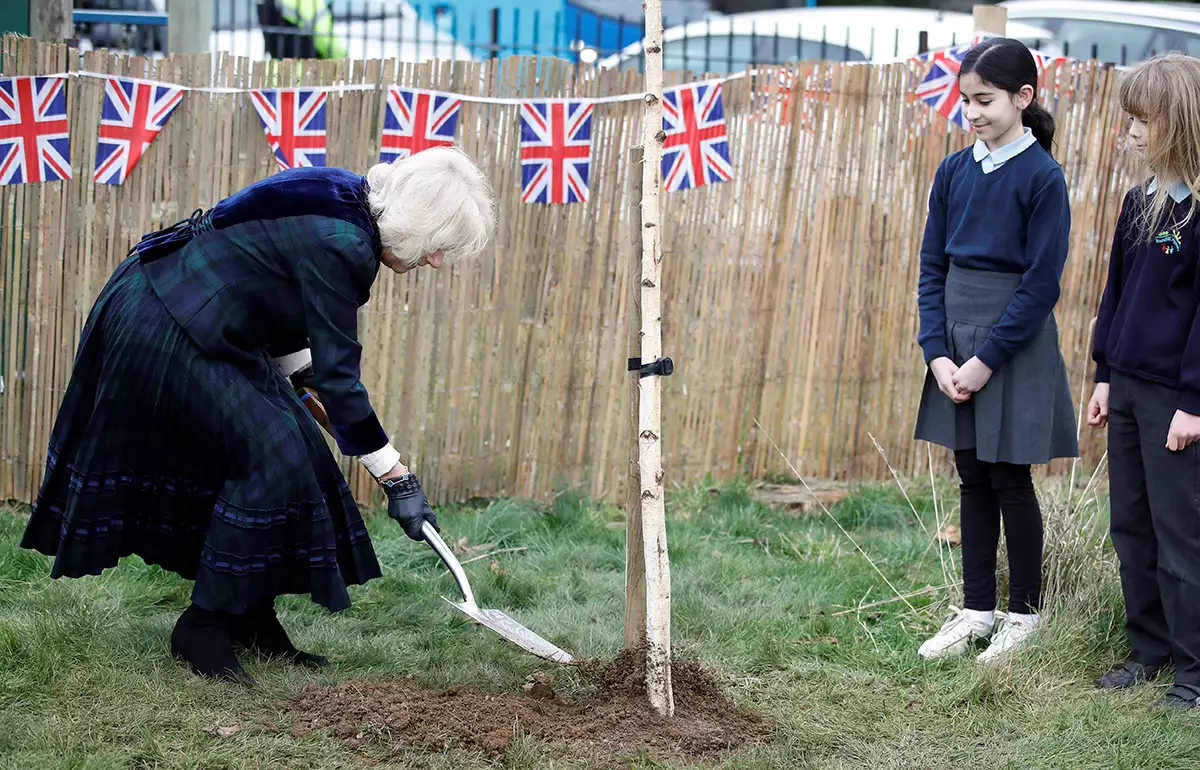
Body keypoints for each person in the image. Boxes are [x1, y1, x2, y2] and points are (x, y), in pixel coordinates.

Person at [20, 147, 496, 685]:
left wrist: (310, 389)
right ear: (419, 222)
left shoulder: (347, 195)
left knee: (300, 451)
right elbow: (340, 380)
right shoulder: (345, 242)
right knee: (274, 456)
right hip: (166, 315)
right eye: (439, 247)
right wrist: (396, 476)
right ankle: (202, 627)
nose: (435, 262)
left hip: (210, 315)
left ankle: (250, 616)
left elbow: (278, 301)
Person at [912, 37, 1078, 663]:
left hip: (1010, 345)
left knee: (1010, 478)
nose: (972, 113)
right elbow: (932, 267)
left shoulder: (1043, 178)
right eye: (965, 101)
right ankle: (976, 610)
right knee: (971, 475)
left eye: (984, 100)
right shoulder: (953, 172)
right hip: (954, 343)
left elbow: (1041, 285)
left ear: (1022, 97)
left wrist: (985, 362)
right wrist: (939, 353)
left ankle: (1024, 616)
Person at [1087, 53, 1200, 711]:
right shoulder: (1140, 202)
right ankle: (1149, 652)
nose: (1128, 131)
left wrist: (1193, 400)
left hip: (1177, 402)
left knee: (1181, 533)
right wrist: (1104, 373)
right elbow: (1117, 293)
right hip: (1127, 387)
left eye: (1141, 120)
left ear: (1180, 123)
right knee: (1132, 526)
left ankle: (1193, 672)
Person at [257, 0, 348, 60]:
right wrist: (344, 62)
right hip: (307, 77)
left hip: (277, 76)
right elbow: (327, 42)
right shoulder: (309, 2)